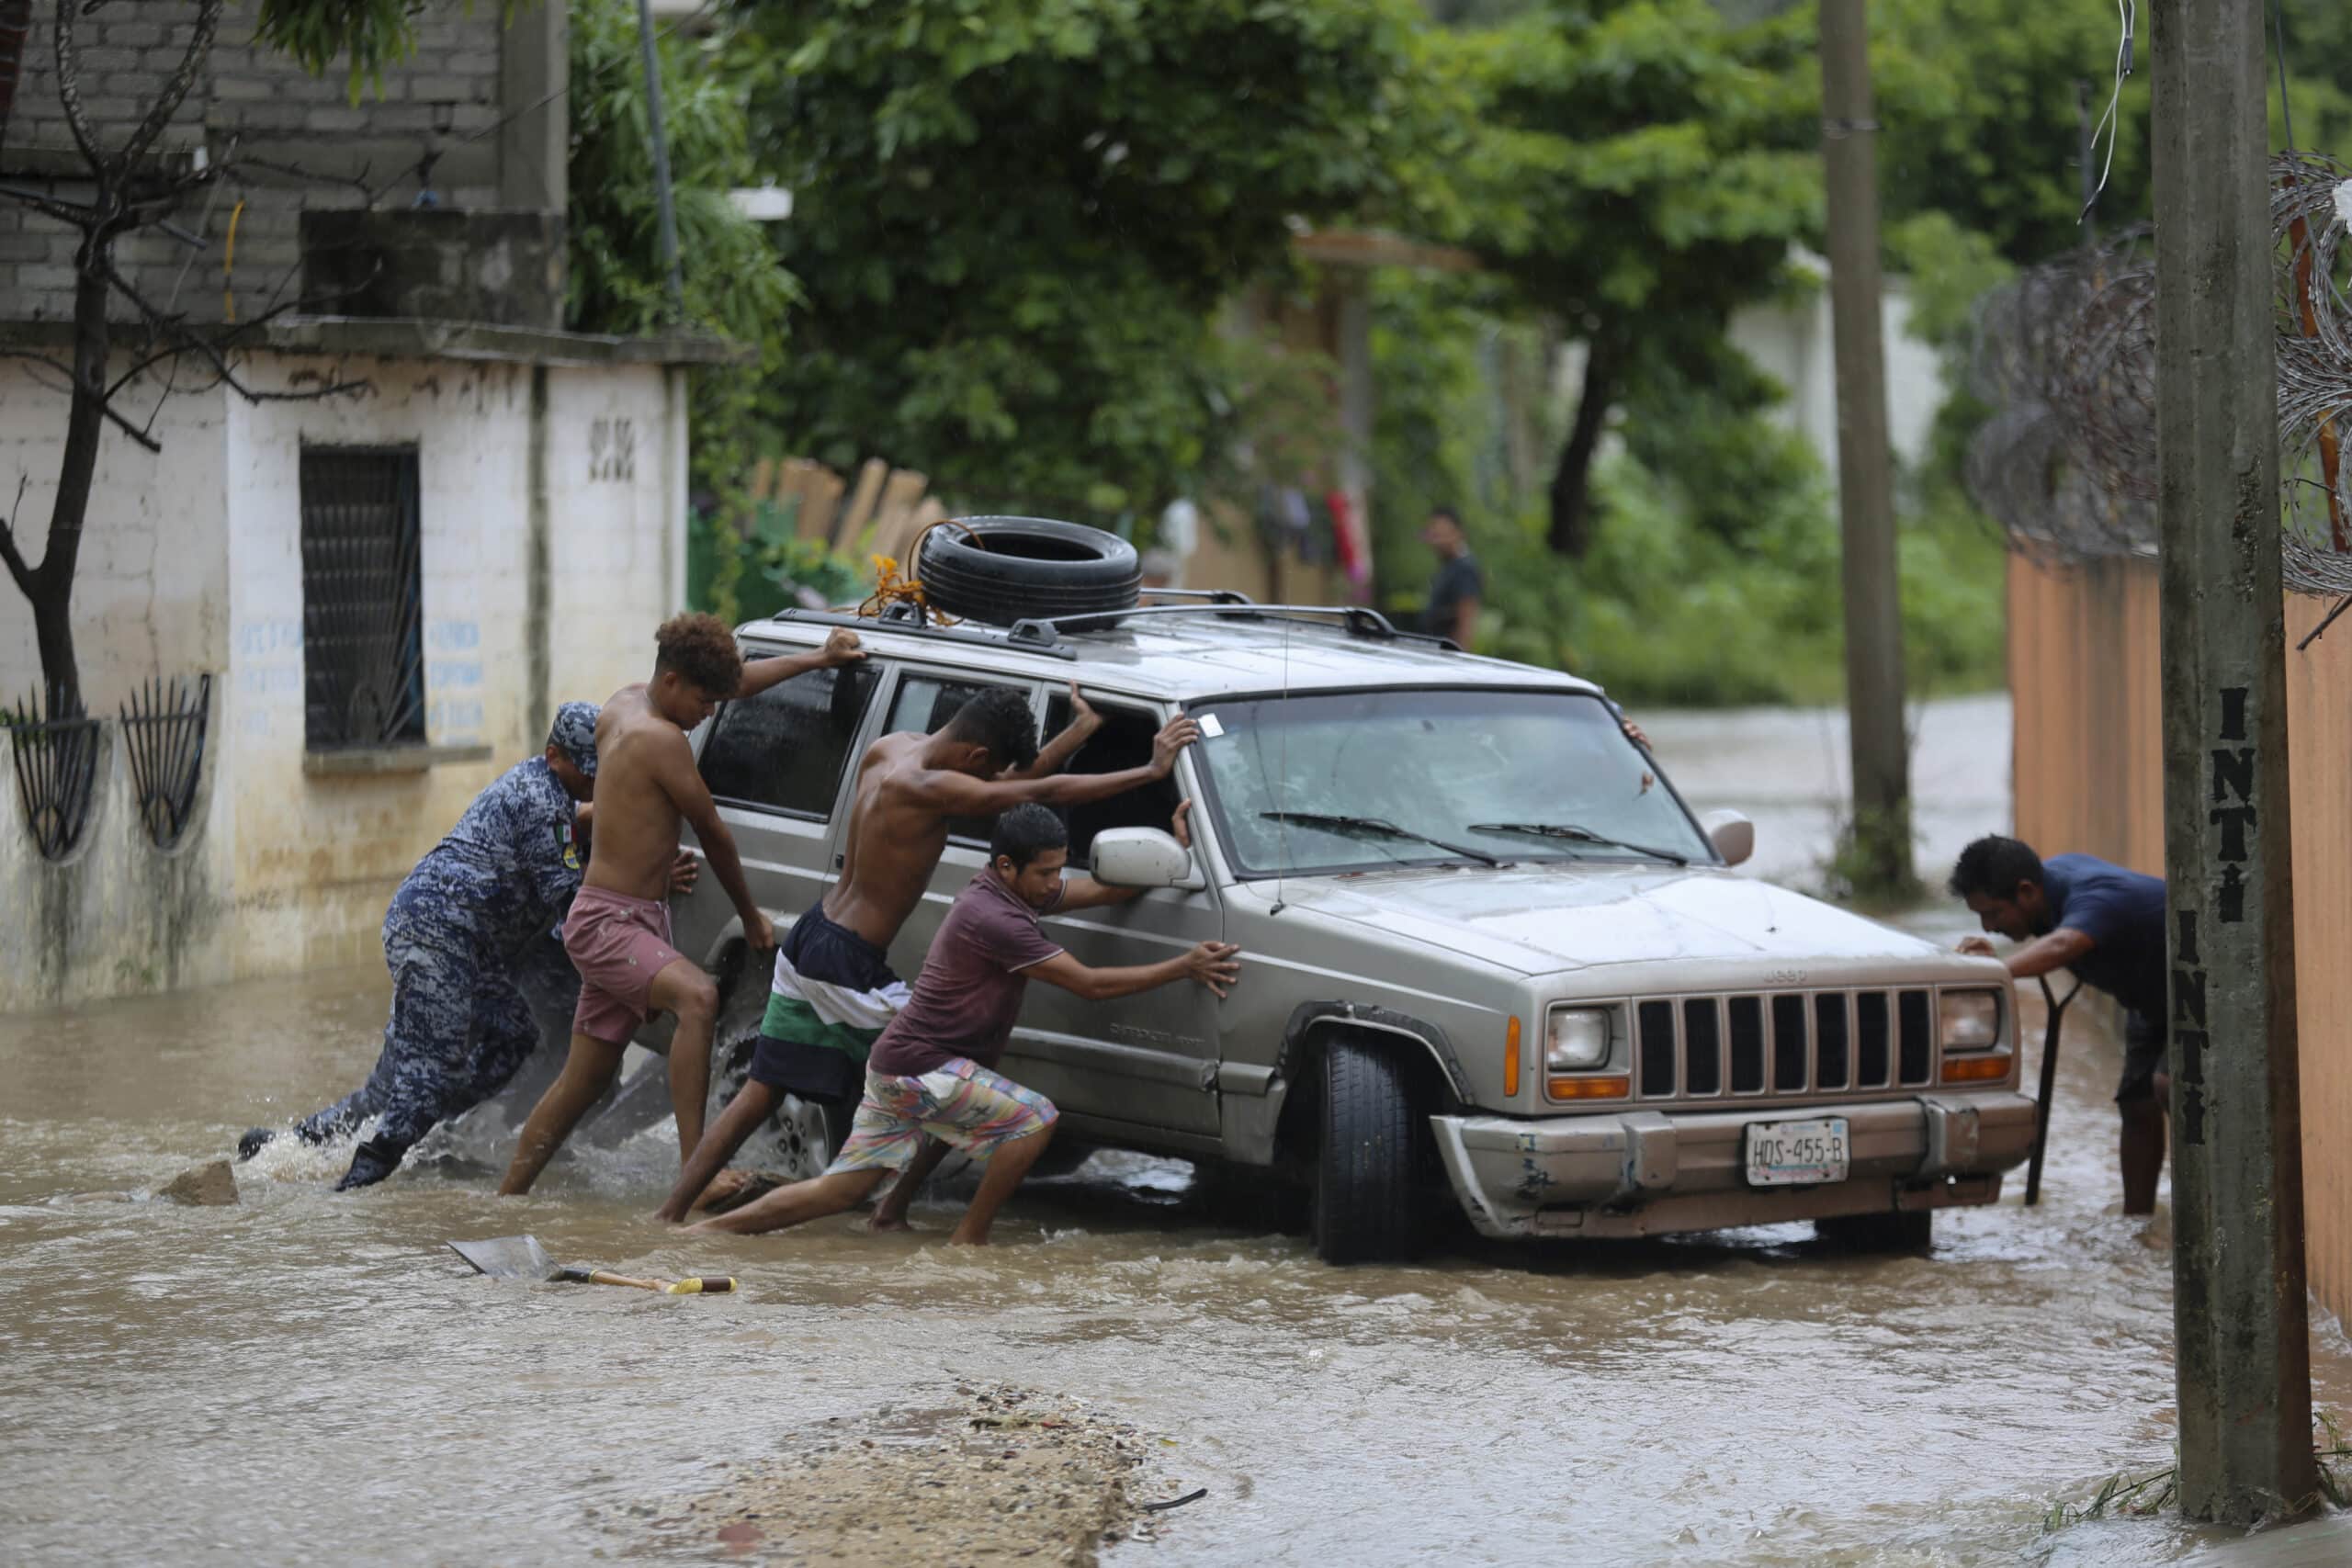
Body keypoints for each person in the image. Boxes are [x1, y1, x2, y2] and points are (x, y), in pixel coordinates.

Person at [650, 683, 1200, 1223]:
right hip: (848, 964)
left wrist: (1077, 732)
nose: (991, 783)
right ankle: (884, 1205)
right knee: (950, 1063)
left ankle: (672, 1213)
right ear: (976, 755)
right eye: (988, 771)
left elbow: (1012, 785)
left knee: (762, 1090)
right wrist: (1150, 772)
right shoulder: (928, 788)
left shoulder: (892, 747)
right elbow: (1036, 792)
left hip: (813, 935)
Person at [681, 804, 1239, 1244]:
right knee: (1035, 1120)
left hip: (905, 1067)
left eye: (1056, 869)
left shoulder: (1008, 894)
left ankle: (713, 1234)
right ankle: (969, 1241)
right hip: (919, 1070)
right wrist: (1184, 965)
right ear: (1006, 868)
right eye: (1044, 873)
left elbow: (1099, 889)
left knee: (839, 1191)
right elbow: (1089, 985)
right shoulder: (997, 918)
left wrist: (1173, 859)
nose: (1053, 883)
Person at [237, 704, 684, 1190]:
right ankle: (352, 1187)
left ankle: (293, 1145)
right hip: (436, 935)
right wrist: (652, 880)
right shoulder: (542, 803)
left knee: (498, 1043)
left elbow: (583, 818)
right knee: (428, 1074)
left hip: (463, 944)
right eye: (589, 774)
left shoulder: (547, 787)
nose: (596, 785)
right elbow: (574, 909)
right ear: (553, 755)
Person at [497, 615, 866, 1197]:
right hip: (609, 921)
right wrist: (749, 916)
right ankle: (699, 1173)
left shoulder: (622, 706)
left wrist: (818, 660)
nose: (712, 711)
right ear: (672, 681)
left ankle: (507, 1200)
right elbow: (713, 832)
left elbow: (735, 684)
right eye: (703, 699)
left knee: (582, 1083)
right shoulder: (660, 740)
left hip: (617, 914)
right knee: (699, 998)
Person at [1948, 835, 2169, 1214]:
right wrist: (1998, 958)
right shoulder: (2047, 882)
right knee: (2136, 1105)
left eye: (1995, 913)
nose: (1988, 926)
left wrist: (1994, 971)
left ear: (2027, 891)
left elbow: (2064, 944)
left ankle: (2213, 1215)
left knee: (2167, 1086)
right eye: (1980, 916)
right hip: (2149, 1001)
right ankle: (2139, 1223)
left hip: (2197, 985)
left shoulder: (2094, 898)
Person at [1420, 505, 1483, 649]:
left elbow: (1466, 624)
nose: (1437, 541)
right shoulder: (1448, 567)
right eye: (1434, 535)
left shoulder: (1465, 570)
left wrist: (1456, 661)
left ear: (1458, 533)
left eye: (1442, 535)